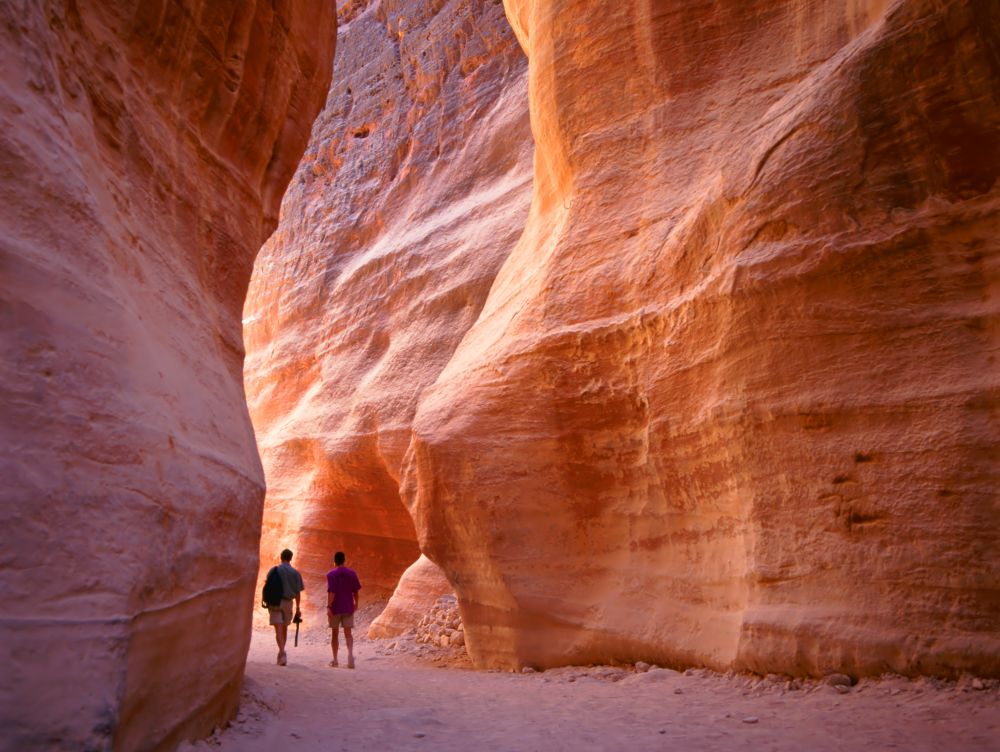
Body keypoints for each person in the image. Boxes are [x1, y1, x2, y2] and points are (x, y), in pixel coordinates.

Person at [326, 551, 361, 669]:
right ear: (344, 560)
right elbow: (355, 591)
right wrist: (356, 603)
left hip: (335, 608)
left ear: (334, 561)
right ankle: (350, 656)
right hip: (348, 607)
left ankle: (335, 660)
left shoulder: (331, 574)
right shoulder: (352, 573)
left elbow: (332, 592)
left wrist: (328, 606)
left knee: (334, 634)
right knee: (348, 633)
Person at [269, 548, 304, 666]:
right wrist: (298, 608)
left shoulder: (274, 570)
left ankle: (282, 652)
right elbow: (298, 592)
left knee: (278, 628)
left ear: (281, 557)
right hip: (288, 603)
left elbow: (267, 585)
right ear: (291, 558)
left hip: (274, 602)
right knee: (284, 628)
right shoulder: (295, 573)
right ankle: (282, 652)